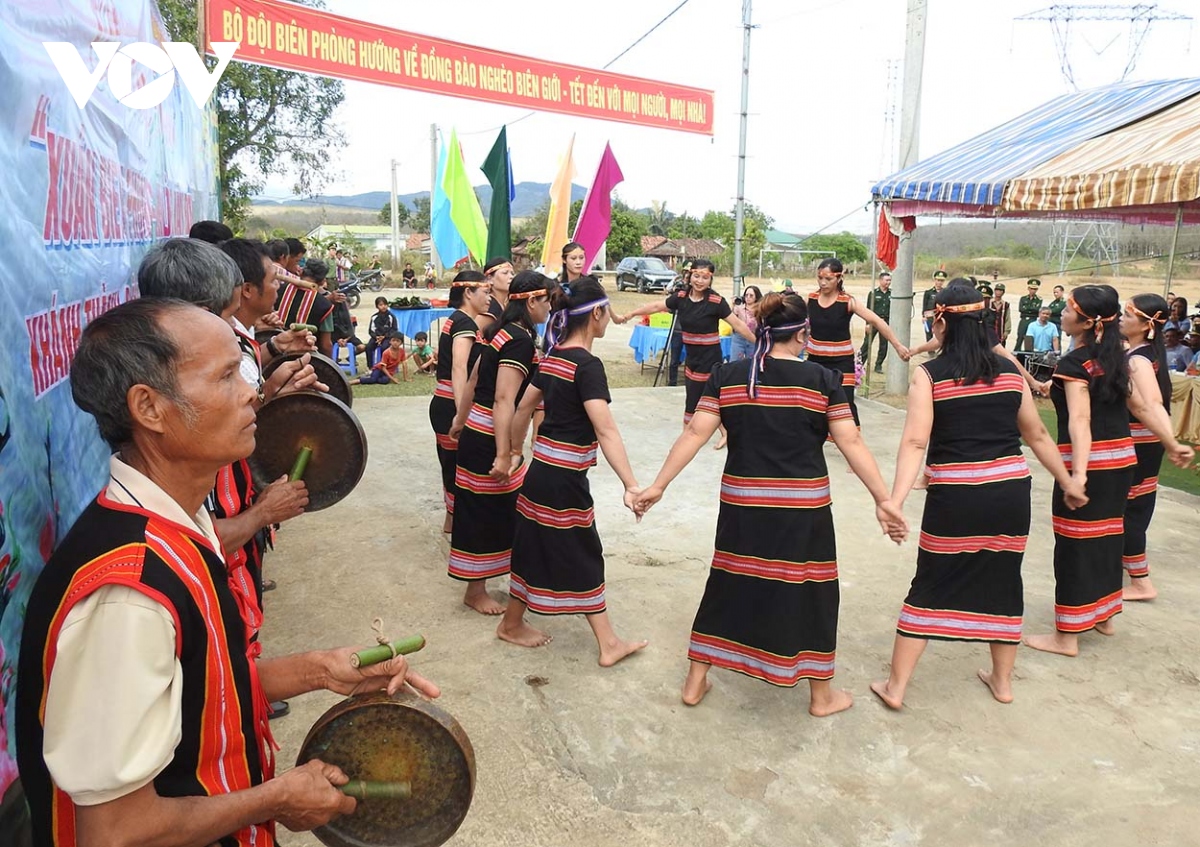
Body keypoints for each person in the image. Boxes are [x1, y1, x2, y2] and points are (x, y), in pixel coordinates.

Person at [15, 298, 439, 847]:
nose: (251, 390)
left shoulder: (183, 526)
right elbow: (118, 832)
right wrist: (278, 796)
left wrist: (321, 670)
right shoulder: (127, 595)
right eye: (224, 376)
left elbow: (200, 691)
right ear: (149, 408)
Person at [633, 292, 907, 715]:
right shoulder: (822, 380)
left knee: (728, 583)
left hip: (743, 503)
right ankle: (821, 697)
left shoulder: (729, 375)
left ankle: (695, 680)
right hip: (803, 509)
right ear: (802, 334)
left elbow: (694, 435)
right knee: (811, 591)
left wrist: (658, 485)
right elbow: (850, 440)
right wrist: (884, 499)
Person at [869, 284, 1085, 710]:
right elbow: (1037, 434)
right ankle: (1002, 683)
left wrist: (894, 501)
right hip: (1009, 492)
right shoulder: (1008, 373)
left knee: (931, 582)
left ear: (942, 321)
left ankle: (896, 688)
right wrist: (1067, 480)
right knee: (1003, 580)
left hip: (955, 496)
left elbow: (915, 443)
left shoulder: (930, 375)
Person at [1024, 286, 1191, 657]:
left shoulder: (1075, 364)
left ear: (1087, 321)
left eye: (1067, 309)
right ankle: (1104, 616)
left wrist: (1078, 475)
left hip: (1092, 466)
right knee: (1109, 540)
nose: (1061, 313)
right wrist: (1170, 441)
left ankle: (1066, 636)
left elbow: (1081, 420)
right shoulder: (1115, 357)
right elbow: (1145, 408)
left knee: (1074, 548)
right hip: (1122, 464)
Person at [498, 276, 648, 665]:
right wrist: (631, 484)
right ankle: (609, 643)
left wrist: (516, 451)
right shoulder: (587, 365)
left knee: (532, 545)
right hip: (563, 480)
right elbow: (605, 429)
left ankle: (512, 624)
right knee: (583, 552)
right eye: (607, 309)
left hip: (540, 473)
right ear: (596, 314)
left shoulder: (553, 358)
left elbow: (522, 408)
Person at [448, 271, 553, 615]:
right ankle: (476, 590)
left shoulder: (501, 331)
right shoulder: (520, 340)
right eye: (547, 300)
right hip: (491, 437)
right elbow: (504, 399)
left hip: (476, 430)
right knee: (487, 512)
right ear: (533, 301)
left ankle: (491, 582)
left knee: (489, 510)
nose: (549, 307)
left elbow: (476, 377)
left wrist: (460, 420)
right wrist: (504, 453)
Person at [612, 259, 755, 433]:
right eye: (696, 276)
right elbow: (657, 306)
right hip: (692, 358)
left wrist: (760, 343)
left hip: (710, 358)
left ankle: (690, 433)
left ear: (711, 279)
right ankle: (719, 431)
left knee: (698, 397)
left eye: (705, 277)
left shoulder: (716, 302)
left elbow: (738, 325)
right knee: (702, 395)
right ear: (690, 275)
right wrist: (630, 314)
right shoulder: (681, 298)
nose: (699, 281)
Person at [806, 257, 910, 427]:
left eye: (828, 279)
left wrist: (897, 345)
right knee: (813, 406)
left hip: (842, 363)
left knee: (845, 404)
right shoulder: (810, 299)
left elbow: (877, 321)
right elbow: (789, 316)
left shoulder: (848, 301)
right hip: (815, 362)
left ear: (839, 278)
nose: (823, 282)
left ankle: (853, 442)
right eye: (820, 278)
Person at [1119, 295, 1174, 602]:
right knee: (1137, 506)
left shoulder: (1138, 360)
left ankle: (1141, 581)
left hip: (1139, 442)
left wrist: (1172, 441)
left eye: (1127, 315)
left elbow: (1151, 403)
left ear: (1145, 325)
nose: (1121, 320)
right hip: (1148, 443)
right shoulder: (1148, 353)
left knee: (1127, 510)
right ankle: (1130, 571)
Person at [428, 270, 492, 534]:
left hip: (443, 402)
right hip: (450, 404)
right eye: (485, 291)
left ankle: (452, 519)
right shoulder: (465, 324)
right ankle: (459, 521)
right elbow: (458, 367)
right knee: (458, 465)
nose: (489, 297)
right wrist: (461, 412)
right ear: (468, 292)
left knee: (450, 463)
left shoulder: (455, 319)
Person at [276, 258, 335, 357]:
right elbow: (326, 345)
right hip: (305, 358)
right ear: (322, 281)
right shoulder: (324, 305)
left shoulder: (278, 290)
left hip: (273, 353)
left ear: (301, 272)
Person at [860, 271, 893, 373]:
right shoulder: (873, 293)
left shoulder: (892, 294)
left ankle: (878, 365)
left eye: (890, 280)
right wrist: (868, 324)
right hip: (874, 321)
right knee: (866, 344)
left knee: (884, 345)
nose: (888, 282)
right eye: (886, 280)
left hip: (886, 322)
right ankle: (859, 364)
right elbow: (868, 309)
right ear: (880, 280)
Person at [479, 256, 516, 328]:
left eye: (512, 273)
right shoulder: (487, 307)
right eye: (505, 273)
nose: (511, 277)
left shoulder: (508, 306)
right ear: (489, 279)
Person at [365, 296, 399, 366]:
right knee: (368, 347)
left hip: (388, 338)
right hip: (377, 338)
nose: (383, 306)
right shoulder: (374, 317)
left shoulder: (391, 316)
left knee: (384, 347)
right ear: (377, 306)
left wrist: (385, 336)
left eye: (385, 304)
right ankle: (371, 367)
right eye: (381, 305)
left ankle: (384, 366)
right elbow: (371, 330)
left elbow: (394, 329)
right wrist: (376, 337)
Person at [730, 285, 761, 361]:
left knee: (751, 362)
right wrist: (732, 304)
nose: (748, 297)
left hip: (753, 337)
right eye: (746, 295)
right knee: (735, 362)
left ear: (756, 297)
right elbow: (730, 319)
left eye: (751, 295)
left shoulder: (760, 309)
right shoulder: (739, 308)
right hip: (739, 338)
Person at [1016, 278, 1044, 348]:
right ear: (1028, 288)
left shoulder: (1039, 299)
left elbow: (1037, 310)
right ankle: (1017, 351)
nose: (1033, 290)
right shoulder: (1023, 298)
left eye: (1035, 289)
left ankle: (1028, 354)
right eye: (1031, 288)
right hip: (1024, 319)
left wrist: (1027, 308)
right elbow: (1021, 309)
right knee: (1020, 336)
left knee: (1029, 338)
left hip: (1033, 319)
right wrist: (1031, 308)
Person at [921, 270, 948, 341]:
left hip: (941, 316)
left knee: (941, 333)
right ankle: (930, 349)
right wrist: (923, 316)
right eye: (938, 280)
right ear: (935, 280)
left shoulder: (945, 293)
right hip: (929, 316)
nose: (939, 282)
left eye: (941, 281)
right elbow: (925, 305)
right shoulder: (928, 292)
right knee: (928, 332)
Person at [988, 282, 1012, 348]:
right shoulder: (989, 303)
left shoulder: (1006, 305)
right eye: (997, 290)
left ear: (1003, 292)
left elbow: (1007, 319)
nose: (998, 292)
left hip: (1000, 332)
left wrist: (1006, 331)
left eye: (1000, 290)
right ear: (994, 291)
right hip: (990, 330)